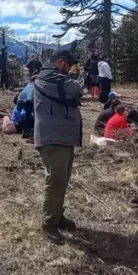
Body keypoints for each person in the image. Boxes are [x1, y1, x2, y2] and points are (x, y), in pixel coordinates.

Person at [34, 49, 83, 244]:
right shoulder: (49, 77)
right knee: (55, 182)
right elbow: (77, 89)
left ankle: (57, 216)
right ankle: (49, 225)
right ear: (61, 62)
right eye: (69, 64)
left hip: (61, 137)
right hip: (53, 138)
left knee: (62, 180)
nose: (71, 68)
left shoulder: (53, 78)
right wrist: (73, 77)